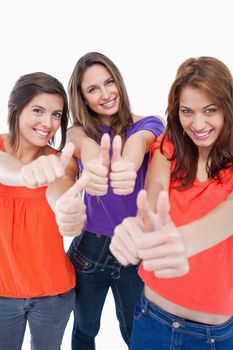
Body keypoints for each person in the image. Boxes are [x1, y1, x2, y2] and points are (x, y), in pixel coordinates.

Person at [110, 56, 233, 349]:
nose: (198, 123)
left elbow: (227, 216)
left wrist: (181, 241)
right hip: (151, 317)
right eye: (187, 111)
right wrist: (146, 224)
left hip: (213, 337)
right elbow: (154, 190)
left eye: (210, 110)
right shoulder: (170, 145)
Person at [66, 51, 165, 349]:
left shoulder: (149, 123)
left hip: (134, 250)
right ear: (82, 98)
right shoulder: (80, 131)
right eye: (93, 89)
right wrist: (94, 156)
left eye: (109, 83)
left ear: (119, 83)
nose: (105, 94)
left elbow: (141, 140)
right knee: (85, 329)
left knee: (134, 331)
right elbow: (79, 141)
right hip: (89, 250)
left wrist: (128, 164)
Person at [0, 72, 87, 350]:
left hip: (53, 295)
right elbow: (4, 167)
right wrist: (26, 173)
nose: (48, 123)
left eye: (56, 114)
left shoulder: (60, 162)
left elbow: (59, 188)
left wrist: (64, 207)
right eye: (38, 110)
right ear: (16, 110)